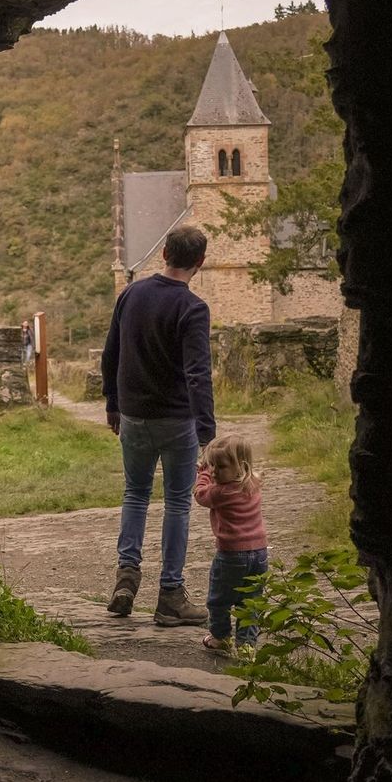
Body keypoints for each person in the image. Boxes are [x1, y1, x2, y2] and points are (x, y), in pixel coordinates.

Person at [101, 225, 216, 626]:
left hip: (133, 416)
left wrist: (113, 403)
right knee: (178, 504)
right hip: (177, 420)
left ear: (164, 252)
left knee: (135, 494)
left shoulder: (131, 294)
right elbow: (198, 374)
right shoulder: (193, 308)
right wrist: (207, 432)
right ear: (199, 263)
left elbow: (111, 353)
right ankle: (170, 595)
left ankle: (126, 578)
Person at [194, 433, 268, 652]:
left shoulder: (220, 492)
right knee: (250, 601)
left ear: (239, 466)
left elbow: (199, 495)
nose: (215, 471)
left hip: (231, 556)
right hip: (260, 553)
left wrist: (203, 474)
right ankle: (246, 646)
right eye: (213, 466)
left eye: (221, 466)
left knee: (219, 599)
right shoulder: (253, 483)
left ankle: (221, 637)